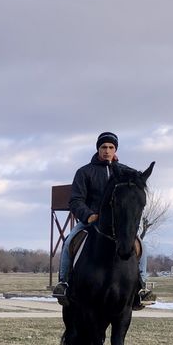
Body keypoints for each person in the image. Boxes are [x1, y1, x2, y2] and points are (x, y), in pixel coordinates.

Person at [51, 132, 155, 309]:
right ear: (98, 149)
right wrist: (89, 215)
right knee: (68, 242)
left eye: (111, 147)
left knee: (142, 246)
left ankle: (141, 288)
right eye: (103, 147)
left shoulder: (125, 172)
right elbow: (75, 200)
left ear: (115, 150)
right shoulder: (84, 172)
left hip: (118, 226)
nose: (107, 151)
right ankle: (64, 283)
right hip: (90, 222)